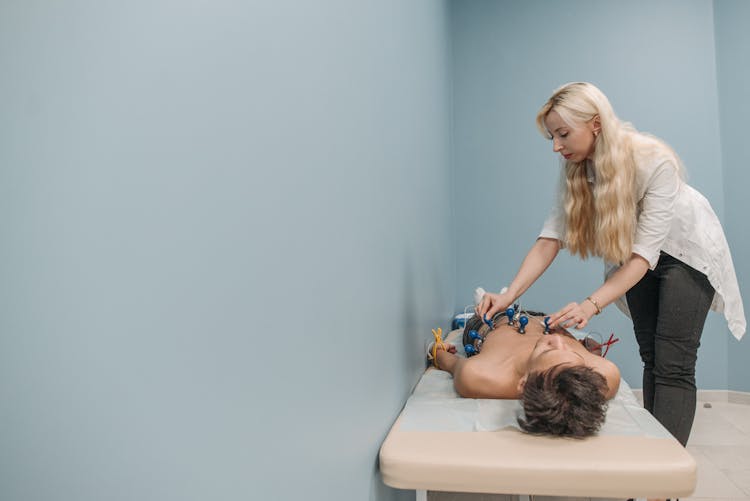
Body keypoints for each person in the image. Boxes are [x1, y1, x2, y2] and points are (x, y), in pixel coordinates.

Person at [476, 82, 746, 448]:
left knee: (674, 363)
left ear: (596, 125)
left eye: (563, 134)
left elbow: (643, 258)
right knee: (651, 356)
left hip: (686, 250)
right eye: (552, 137)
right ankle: (653, 458)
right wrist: (507, 296)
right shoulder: (575, 169)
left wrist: (591, 304)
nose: (557, 146)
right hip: (634, 255)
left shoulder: (653, 160)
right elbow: (549, 240)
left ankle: (661, 478)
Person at [429, 310, 621, 438]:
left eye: (548, 351)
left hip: (495, 319)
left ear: (524, 382)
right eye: (573, 353)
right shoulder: (606, 375)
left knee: (485, 311)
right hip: (542, 318)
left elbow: (449, 362)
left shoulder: (479, 375)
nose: (556, 340)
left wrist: (438, 351)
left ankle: (467, 316)